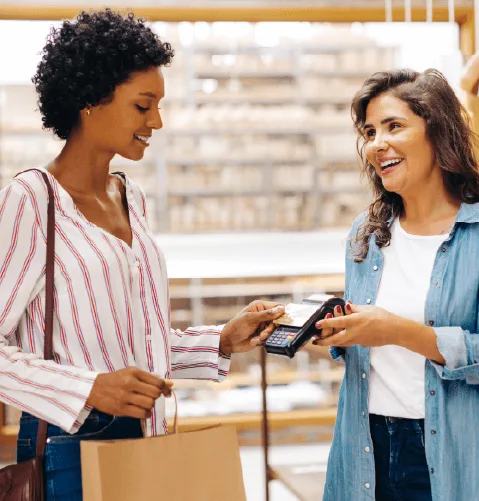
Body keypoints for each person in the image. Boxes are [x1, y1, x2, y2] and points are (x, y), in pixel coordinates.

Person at [0, 9, 285, 500]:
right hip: (69, 449)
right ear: (90, 99)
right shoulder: (31, 201)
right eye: (143, 105)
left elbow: (133, 345)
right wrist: (87, 388)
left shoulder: (130, 198)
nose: (156, 121)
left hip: (146, 436)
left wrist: (220, 340)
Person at [313, 68, 479, 501]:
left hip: (454, 453)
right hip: (366, 447)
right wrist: (336, 330)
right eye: (369, 131)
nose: (377, 143)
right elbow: (364, 348)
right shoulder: (366, 235)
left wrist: (398, 331)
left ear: (438, 131)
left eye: (394, 126)